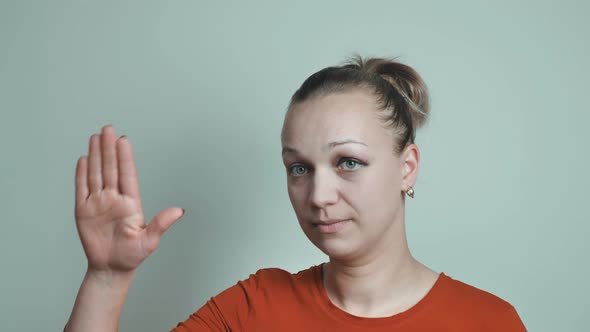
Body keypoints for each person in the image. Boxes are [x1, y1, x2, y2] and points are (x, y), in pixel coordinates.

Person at [64, 56, 527, 331]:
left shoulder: (487, 321)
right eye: (299, 168)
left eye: (348, 162)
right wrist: (107, 279)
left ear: (407, 168)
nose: (319, 195)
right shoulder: (254, 307)